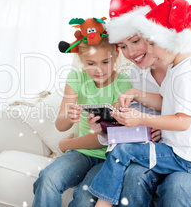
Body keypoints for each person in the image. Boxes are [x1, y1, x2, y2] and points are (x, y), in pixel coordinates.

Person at [88, 0, 191, 207]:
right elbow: (153, 116)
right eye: (122, 46)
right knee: (133, 176)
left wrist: (167, 129)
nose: (132, 53)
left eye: (136, 41)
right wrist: (108, 127)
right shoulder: (139, 74)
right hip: (165, 151)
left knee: (176, 188)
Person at [32, 35, 133, 207]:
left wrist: (67, 144)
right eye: (91, 63)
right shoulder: (76, 78)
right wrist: (69, 117)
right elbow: (60, 124)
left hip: (109, 157)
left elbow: (111, 135)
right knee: (47, 178)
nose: (98, 70)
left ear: (116, 56)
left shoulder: (123, 83)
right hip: (81, 153)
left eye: (105, 62)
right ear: (81, 60)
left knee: (85, 198)